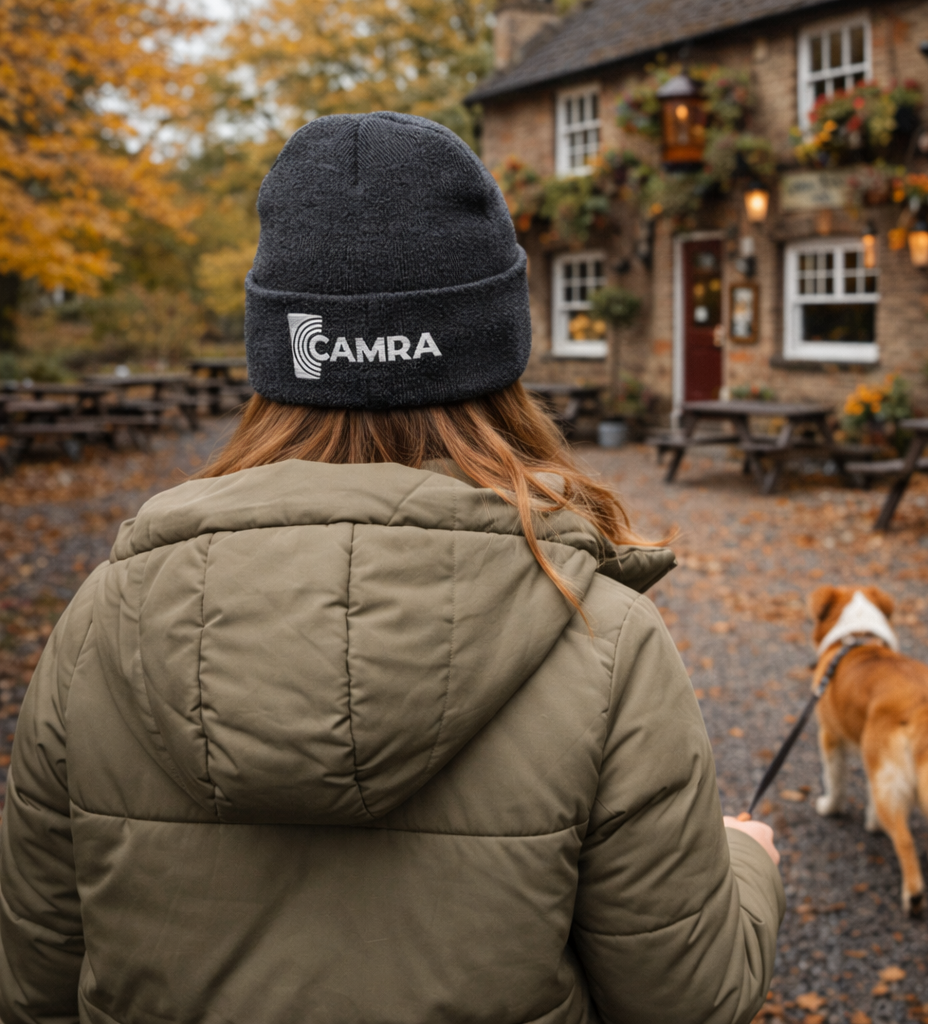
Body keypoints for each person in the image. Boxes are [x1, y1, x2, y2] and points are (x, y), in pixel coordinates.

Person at [0, 112, 782, 1024]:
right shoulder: (606, 640)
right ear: (497, 356)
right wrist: (749, 863)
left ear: (279, 355)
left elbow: (32, 986)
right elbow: (687, 1000)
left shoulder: (102, 619)